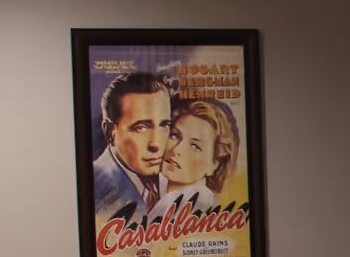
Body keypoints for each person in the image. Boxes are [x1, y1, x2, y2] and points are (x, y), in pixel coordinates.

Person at [92, 71, 173, 217]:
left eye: (164, 125)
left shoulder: (176, 179)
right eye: (141, 127)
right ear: (110, 132)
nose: (156, 144)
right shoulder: (95, 188)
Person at [160, 97, 240, 214]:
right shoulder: (160, 193)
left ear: (214, 165)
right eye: (175, 136)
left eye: (195, 146)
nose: (177, 149)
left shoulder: (192, 205)